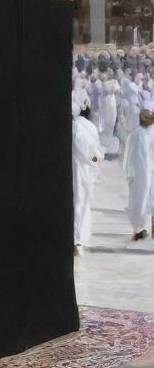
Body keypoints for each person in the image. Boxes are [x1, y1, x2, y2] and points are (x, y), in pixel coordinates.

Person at [71, 97, 104, 255]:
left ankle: (76, 240)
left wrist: (93, 159)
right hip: (83, 170)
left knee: (77, 202)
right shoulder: (88, 126)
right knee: (81, 203)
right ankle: (77, 240)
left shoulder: (76, 126)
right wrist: (95, 161)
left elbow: (84, 150)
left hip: (78, 168)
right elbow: (94, 151)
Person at [122, 107, 154, 241]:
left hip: (150, 171)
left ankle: (146, 227)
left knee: (149, 199)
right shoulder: (135, 134)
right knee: (139, 199)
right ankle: (139, 229)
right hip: (139, 173)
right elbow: (129, 155)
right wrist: (130, 172)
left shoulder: (150, 133)